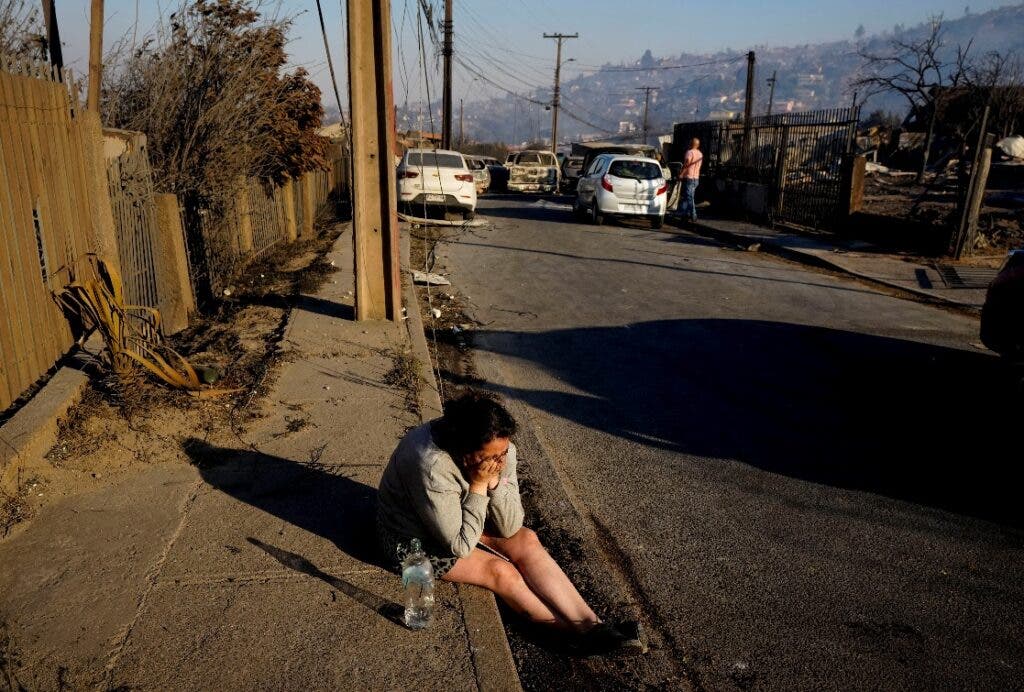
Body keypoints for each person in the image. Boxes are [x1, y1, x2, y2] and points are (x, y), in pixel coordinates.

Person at [377, 390, 644, 656]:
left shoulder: (501, 451)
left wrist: (494, 482)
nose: (500, 462)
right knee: (500, 571)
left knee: (526, 539)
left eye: (503, 453)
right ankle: (576, 636)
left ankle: (593, 627)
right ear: (464, 452)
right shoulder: (432, 465)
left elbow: (509, 527)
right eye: (492, 458)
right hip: (414, 539)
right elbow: (460, 546)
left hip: (461, 517)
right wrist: (479, 485)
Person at [677, 137, 703, 222]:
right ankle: (684, 214)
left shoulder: (689, 152)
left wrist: (681, 174)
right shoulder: (700, 154)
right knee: (686, 196)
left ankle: (693, 214)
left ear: (691, 144)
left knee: (689, 197)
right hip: (696, 178)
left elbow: (686, 164)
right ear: (698, 145)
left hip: (689, 177)